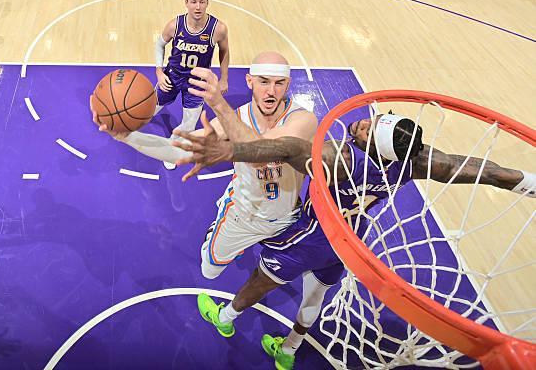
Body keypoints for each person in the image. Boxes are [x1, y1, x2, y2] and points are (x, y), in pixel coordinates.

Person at [172, 108, 536, 370]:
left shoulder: (342, 159)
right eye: (372, 120)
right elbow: (477, 169)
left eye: (368, 130)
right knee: (316, 294)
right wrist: (528, 183)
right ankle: (288, 350)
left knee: (261, 280)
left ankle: (225, 317)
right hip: (348, 241)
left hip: (311, 238)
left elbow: (284, 150)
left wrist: (230, 151)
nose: (362, 123)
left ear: (374, 147)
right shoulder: (411, 162)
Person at [92, 51, 318, 280]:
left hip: (287, 216)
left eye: (279, 83)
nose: (271, 91)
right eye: (264, 82)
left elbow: (262, 153)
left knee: (291, 276)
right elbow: (177, 150)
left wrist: (219, 104)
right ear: (249, 81)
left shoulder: (302, 120)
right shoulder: (232, 120)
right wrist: (128, 137)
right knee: (209, 271)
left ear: (288, 84)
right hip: (243, 215)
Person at [154, 0, 230, 170]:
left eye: (202, 2)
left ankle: (171, 149)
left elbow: (225, 51)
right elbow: (159, 44)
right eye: (194, 2)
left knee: (188, 124)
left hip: (197, 83)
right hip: (172, 76)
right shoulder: (175, 25)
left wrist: (224, 78)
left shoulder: (218, 28)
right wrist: (159, 71)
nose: (198, 6)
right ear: (186, 3)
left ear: (207, 3)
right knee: (148, 109)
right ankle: (129, 121)